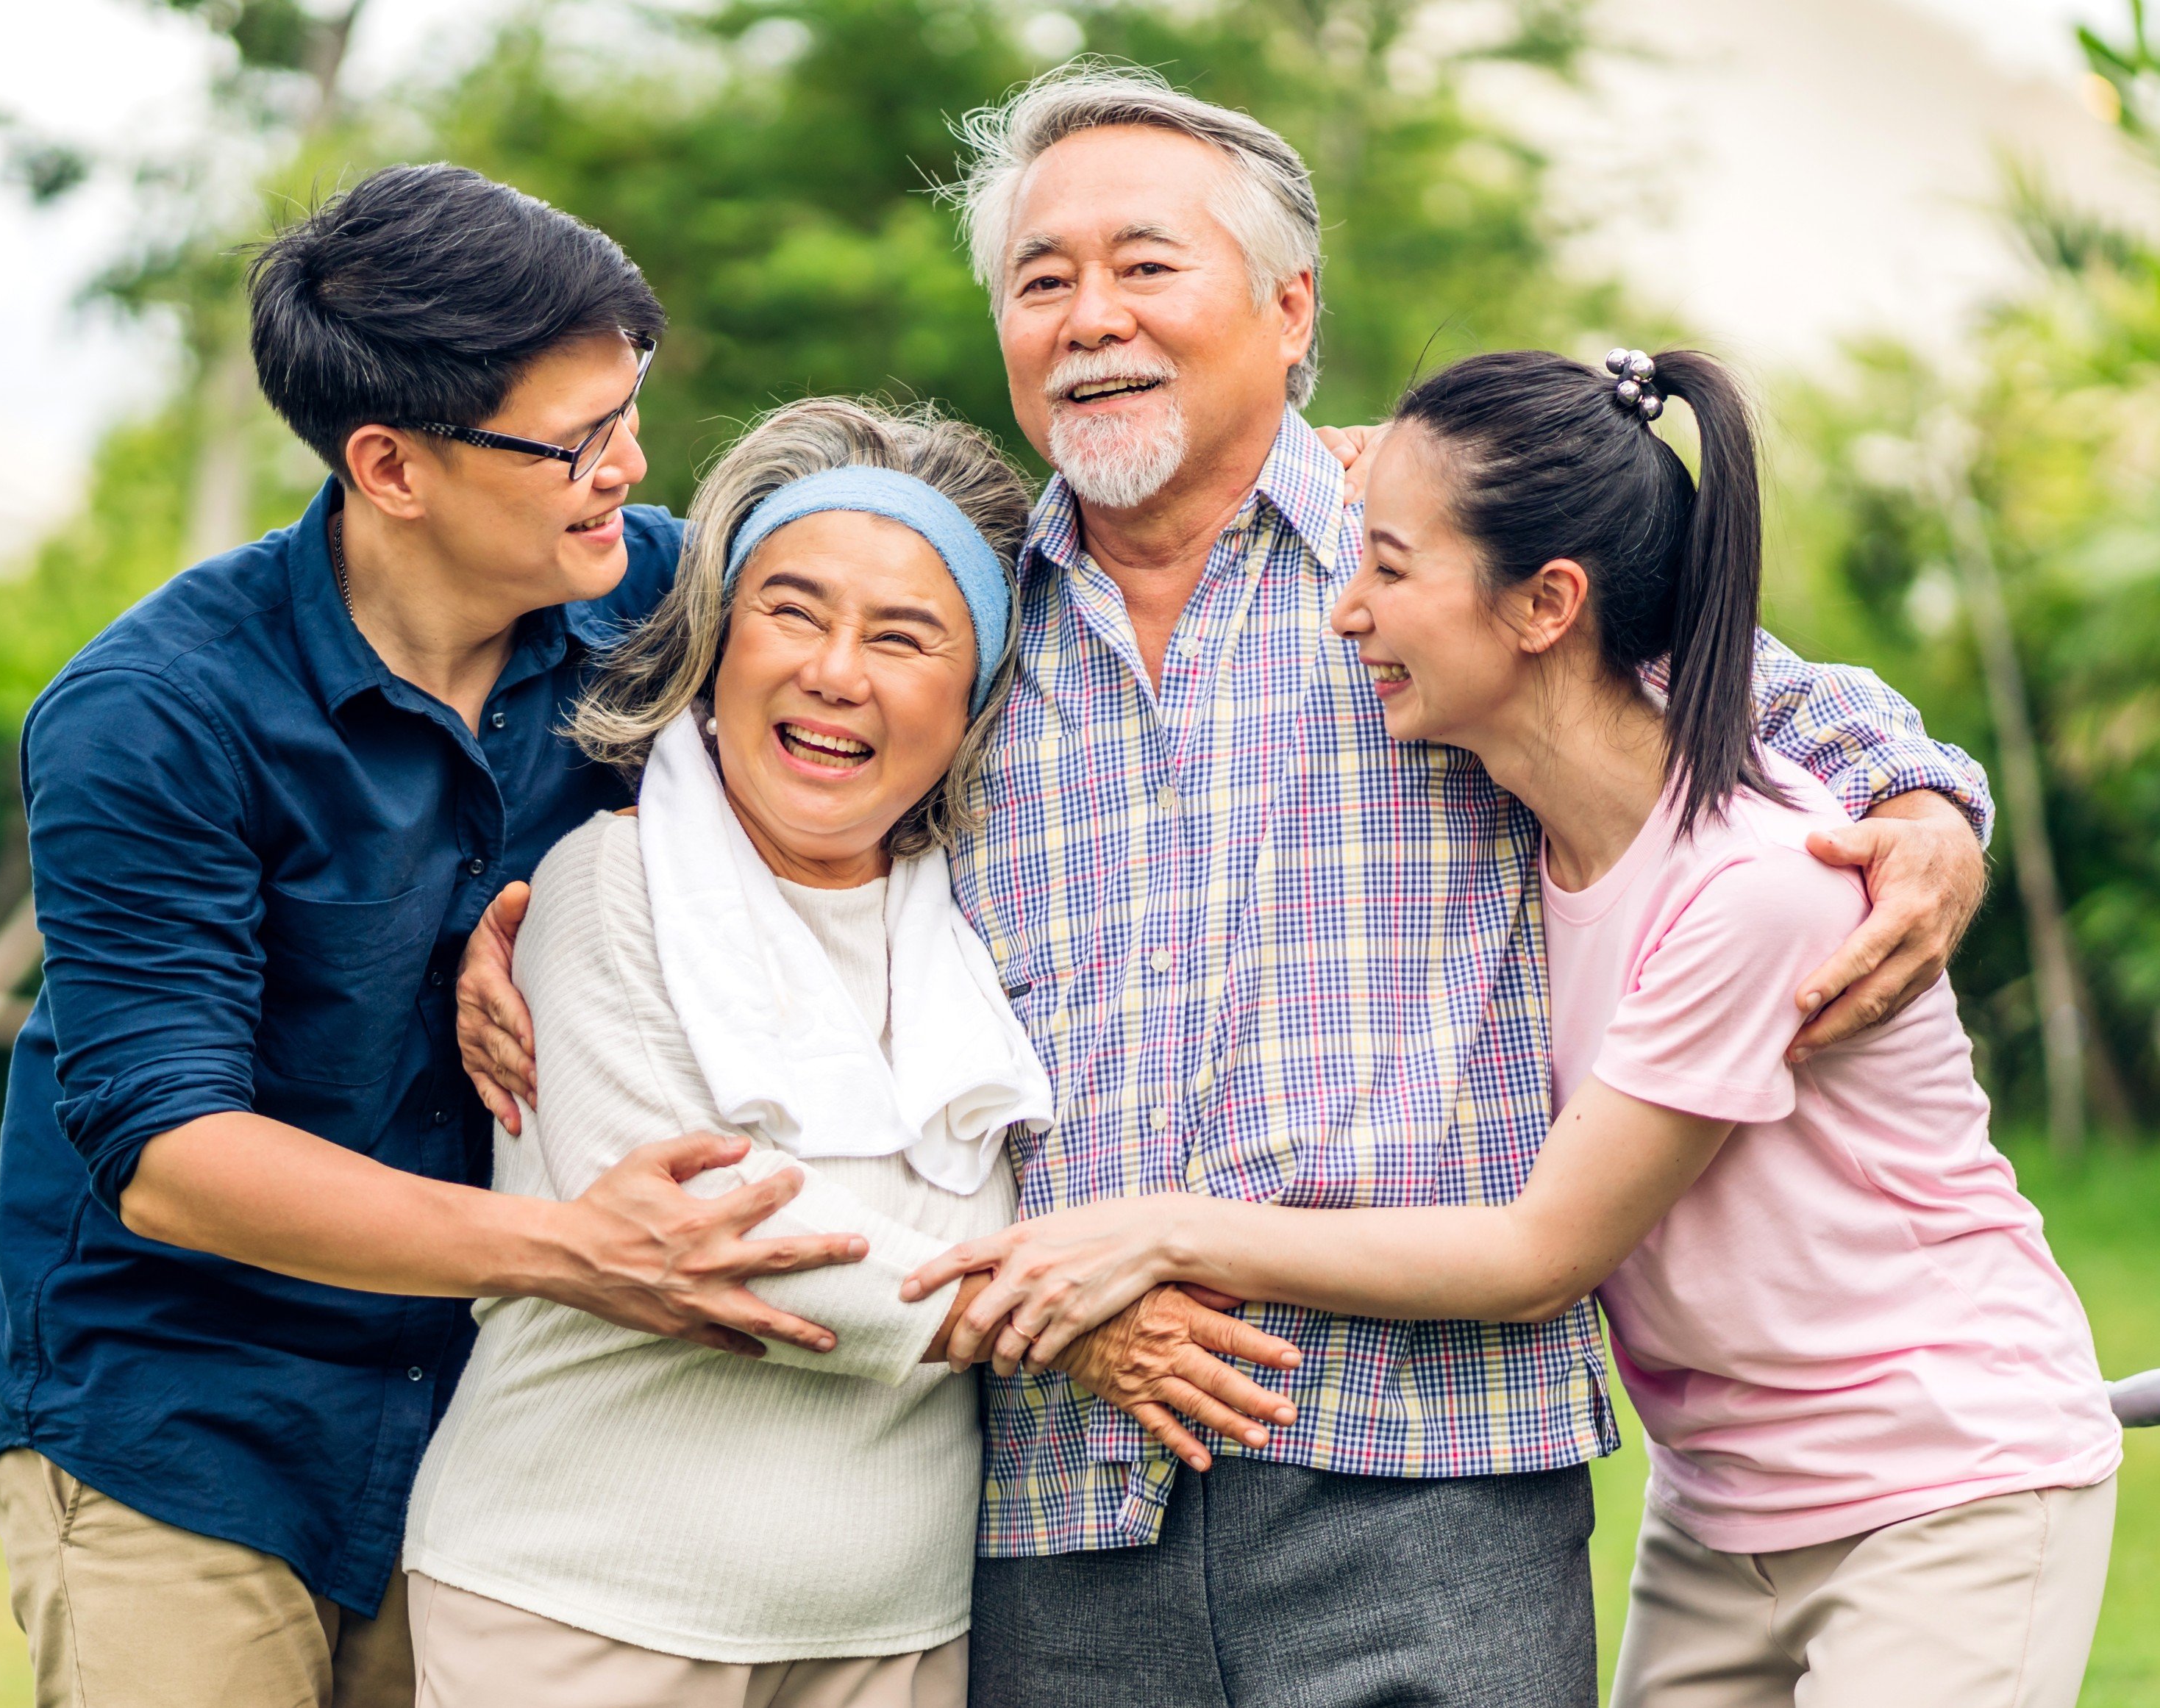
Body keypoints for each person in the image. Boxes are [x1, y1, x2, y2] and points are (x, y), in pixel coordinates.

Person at [460, 65, 1999, 1704]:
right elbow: (737, 780)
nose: (1087, 316)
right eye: (1039, 280)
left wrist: (1923, 799)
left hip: (1427, 1469)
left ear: (1289, 309)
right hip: (1058, 1484)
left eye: (1144, 265)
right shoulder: (965, 632)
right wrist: (498, 915)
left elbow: (1727, 688)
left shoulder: (1423, 560)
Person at [914, 345, 2126, 1708]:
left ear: (1548, 605)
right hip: (1723, 1504)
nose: (1341, 614)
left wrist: (1162, 1228)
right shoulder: (1521, 838)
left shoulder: (1762, 888)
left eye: (1385, 571)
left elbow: (1537, 1252)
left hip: (1938, 1476)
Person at [0, 164, 885, 1708]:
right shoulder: (154, 715)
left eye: (630, 410)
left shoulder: (658, 600)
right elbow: (173, 1154)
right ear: (390, 466)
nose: (629, 465)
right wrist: (580, 1253)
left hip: (492, 1425)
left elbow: (939, 594)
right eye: (576, 441)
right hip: (186, 1410)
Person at [402, 398, 1302, 1708]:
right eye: (792, 612)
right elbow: (709, 1218)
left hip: (895, 1634)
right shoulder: (610, 883)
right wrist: (1067, 1328)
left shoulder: (991, 911)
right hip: (581, 1605)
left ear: (978, 687)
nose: (836, 671)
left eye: (903, 636)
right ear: (716, 640)